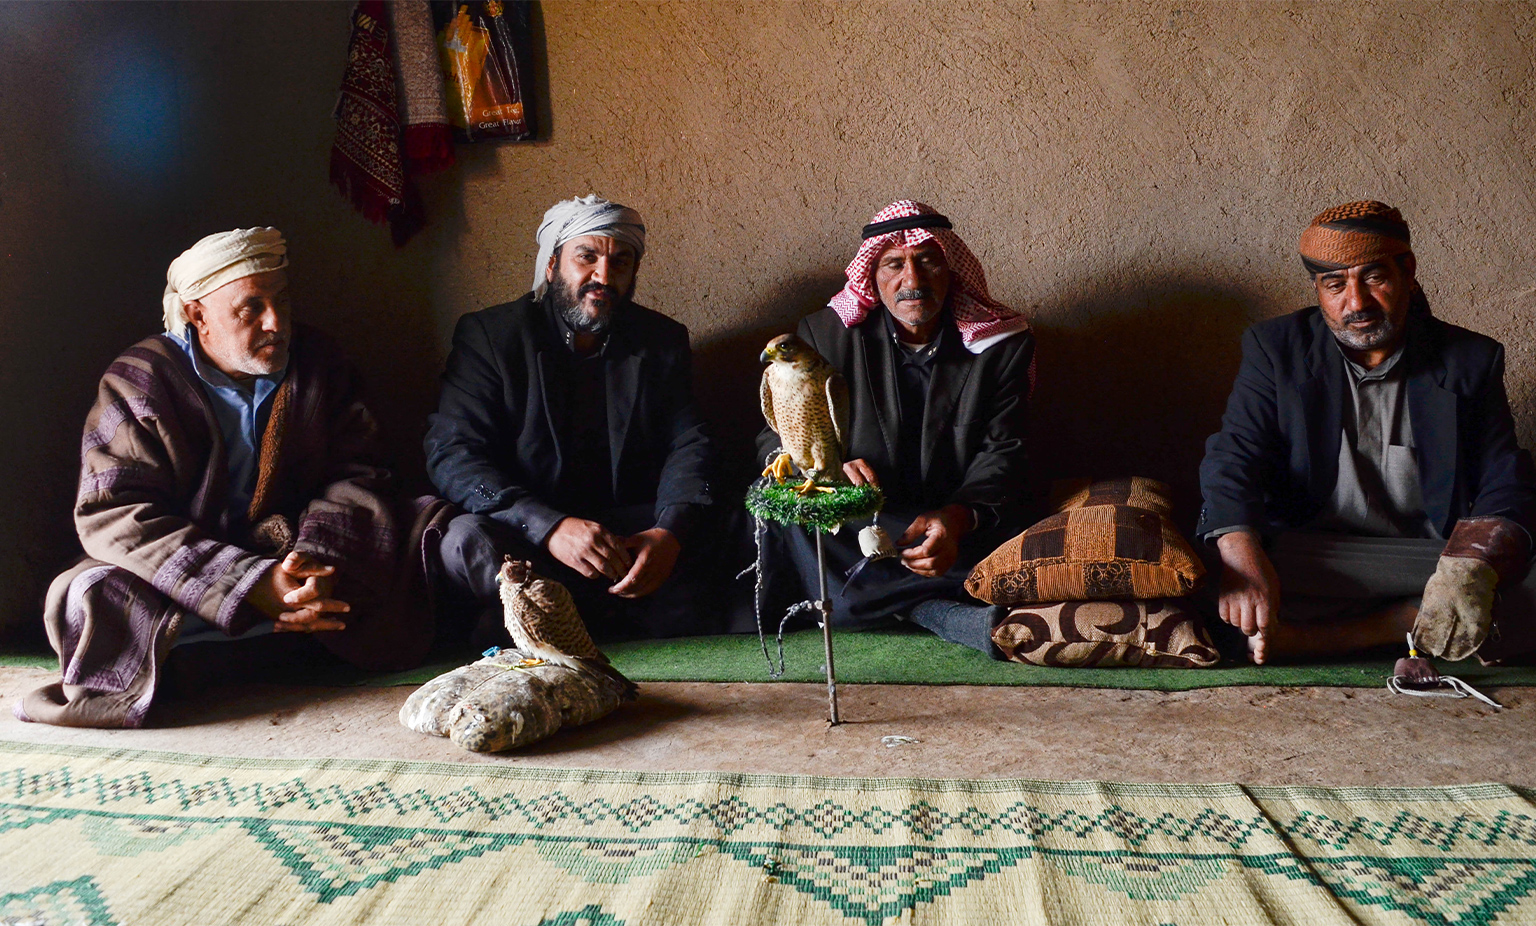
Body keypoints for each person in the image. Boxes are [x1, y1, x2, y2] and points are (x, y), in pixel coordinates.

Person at [20, 228, 445, 728]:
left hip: (299, 551)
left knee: (429, 531)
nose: (276, 322)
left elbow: (360, 474)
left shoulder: (317, 362)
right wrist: (253, 583)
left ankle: (232, 648)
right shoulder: (139, 380)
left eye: (282, 301)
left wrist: (309, 564)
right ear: (198, 315)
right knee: (93, 591)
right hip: (195, 566)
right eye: (251, 309)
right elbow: (114, 513)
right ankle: (283, 641)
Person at [1198, 201, 1536, 664]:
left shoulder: (1470, 359)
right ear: (1317, 290)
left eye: (1374, 278)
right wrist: (1239, 552)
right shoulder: (1276, 349)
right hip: (1318, 555)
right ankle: (1404, 623)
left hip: (1429, 555)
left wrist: (1468, 567)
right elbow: (1234, 454)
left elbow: (1506, 473)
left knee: (1519, 568)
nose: (1356, 303)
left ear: (1407, 272)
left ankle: (1328, 635)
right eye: (1335, 285)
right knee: (1225, 574)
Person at [426, 195, 716, 641]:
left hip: (626, 537)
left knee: (739, 519)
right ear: (551, 265)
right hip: (529, 536)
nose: (603, 276)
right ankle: (598, 615)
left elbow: (690, 442)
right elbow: (452, 452)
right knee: (465, 540)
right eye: (587, 257)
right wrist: (550, 528)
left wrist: (668, 532)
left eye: (620, 262)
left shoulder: (661, 340)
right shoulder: (491, 336)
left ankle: (567, 617)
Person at [753, 200, 1035, 653]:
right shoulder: (824, 334)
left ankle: (872, 601)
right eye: (893, 265)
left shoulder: (1002, 344)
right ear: (871, 276)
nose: (913, 282)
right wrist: (827, 468)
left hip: (955, 517)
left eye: (927, 263)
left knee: (1018, 541)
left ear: (952, 271)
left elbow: (1006, 449)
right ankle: (935, 610)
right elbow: (774, 433)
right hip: (858, 518)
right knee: (783, 508)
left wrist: (957, 518)